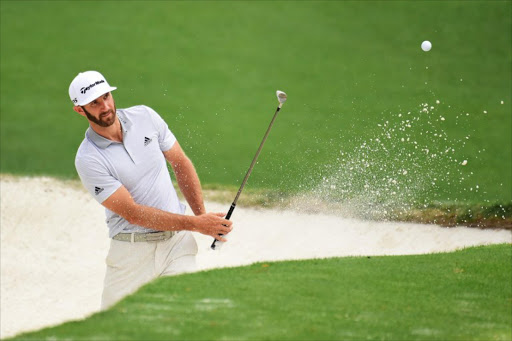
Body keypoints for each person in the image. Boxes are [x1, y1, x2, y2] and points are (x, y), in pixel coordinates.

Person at [69, 70, 232, 309]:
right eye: (94, 103)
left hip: (177, 246)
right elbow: (133, 213)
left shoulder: (145, 116)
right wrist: (196, 224)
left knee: (184, 316)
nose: (104, 106)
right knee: (115, 328)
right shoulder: (89, 158)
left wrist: (201, 216)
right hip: (131, 252)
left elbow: (180, 162)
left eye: (106, 96)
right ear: (80, 110)